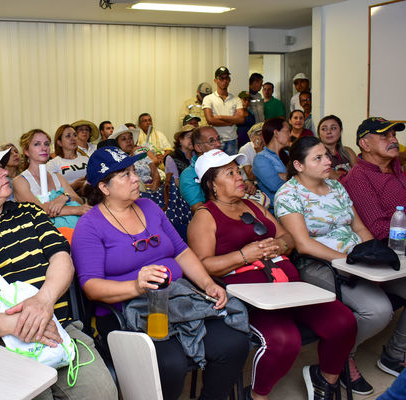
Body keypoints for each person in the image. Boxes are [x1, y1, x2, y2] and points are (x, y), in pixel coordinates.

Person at [0, 143, 118, 400]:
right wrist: (18, 324)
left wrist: (43, 302)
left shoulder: (29, 214)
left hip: (58, 328)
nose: (5, 173)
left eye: (1, 167)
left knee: (103, 394)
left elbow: (62, 259)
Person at [71, 146, 250, 400]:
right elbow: (91, 286)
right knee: (169, 363)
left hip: (176, 299)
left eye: (133, 171)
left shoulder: (150, 207)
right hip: (126, 312)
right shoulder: (89, 226)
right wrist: (136, 285)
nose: (136, 178)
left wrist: (207, 284)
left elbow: (182, 252)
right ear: (104, 187)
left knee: (234, 343)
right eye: (125, 175)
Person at [187, 148, 357, 400]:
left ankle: (324, 380)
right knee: (285, 341)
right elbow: (201, 265)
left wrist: (279, 245)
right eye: (230, 173)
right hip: (251, 299)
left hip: (289, 287)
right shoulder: (204, 217)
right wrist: (245, 255)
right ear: (212, 184)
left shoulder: (253, 206)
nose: (239, 178)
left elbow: (286, 237)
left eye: (238, 171)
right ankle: (257, 396)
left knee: (344, 322)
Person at [275, 136, 406, 393]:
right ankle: (341, 358)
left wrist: (375, 255)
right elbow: (303, 244)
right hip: (320, 265)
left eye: (326, 155)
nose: (328, 161)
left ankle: (395, 353)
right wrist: (350, 263)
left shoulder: (336, 187)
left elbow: (357, 226)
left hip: (356, 259)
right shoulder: (289, 194)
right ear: (299, 166)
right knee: (378, 311)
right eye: (318, 158)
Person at [341, 117, 406, 242]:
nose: (394, 140)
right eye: (385, 136)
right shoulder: (358, 178)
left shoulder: (396, 166)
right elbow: (379, 230)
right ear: (365, 144)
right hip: (396, 247)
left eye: (394, 135)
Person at [13, 129, 90, 228]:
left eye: (46, 144)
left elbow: (78, 200)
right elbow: (39, 211)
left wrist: (64, 197)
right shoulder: (20, 181)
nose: (43, 148)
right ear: (26, 151)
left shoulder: (56, 176)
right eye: (37, 144)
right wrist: (77, 210)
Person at [179, 126, 260, 214]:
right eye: (211, 141)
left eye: (218, 139)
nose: (218, 144)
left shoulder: (225, 161)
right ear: (198, 147)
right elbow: (199, 210)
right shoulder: (188, 175)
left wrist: (245, 183)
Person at [202, 66, 245, 155]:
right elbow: (210, 120)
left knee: (231, 166)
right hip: (214, 141)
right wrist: (231, 121)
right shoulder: (208, 98)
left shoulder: (236, 99)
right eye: (221, 78)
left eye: (227, 78)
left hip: (232, 140)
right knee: (215, 167)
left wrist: (220, 117)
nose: (224, 81)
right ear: (215, 80)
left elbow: (241, 119)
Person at [109, 124, 161, 192]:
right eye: (124, 139)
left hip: (153, 189)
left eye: (130, 138)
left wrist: (155, 184)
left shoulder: (141, 154)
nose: (128, 141)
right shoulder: (117, 161)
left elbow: (155, 173)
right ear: (117, 144)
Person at [252, 118, 290, 205]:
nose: (290, 134)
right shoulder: (261, 158)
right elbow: (275, 186)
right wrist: (293, 175)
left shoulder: (287, 154)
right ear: (276, 133)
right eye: (287, 131)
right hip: (277, 208)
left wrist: (285, 176)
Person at [46, 124, 89, 195]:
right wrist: (73, 186)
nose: (73, 139)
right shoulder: (53, 164)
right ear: (59, 142)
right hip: (68, 201)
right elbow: (52, 192)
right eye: (68, 136)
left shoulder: (86, 159)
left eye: (75, 135)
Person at [316, 115, 357, 179]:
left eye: (333, 128)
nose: (329, 132)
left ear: (340, 131)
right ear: (319, 133)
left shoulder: (348, 152)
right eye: (324, 129)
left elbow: (358, 176)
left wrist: (336, 174)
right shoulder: (315, 155)